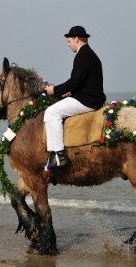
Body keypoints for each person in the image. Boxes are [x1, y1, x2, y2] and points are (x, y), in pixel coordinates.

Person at [44, 26, 106, 168]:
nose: (68, 44)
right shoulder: (88, 54)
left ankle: (59, 155)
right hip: (88, 96)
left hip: (88, 100)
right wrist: (69, 92)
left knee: (51, 112)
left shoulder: (83, 54)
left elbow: (75, 81)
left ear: (77, 39)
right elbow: (81, 82)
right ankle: (55, 154)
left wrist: (54, 90)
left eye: (69, 40)